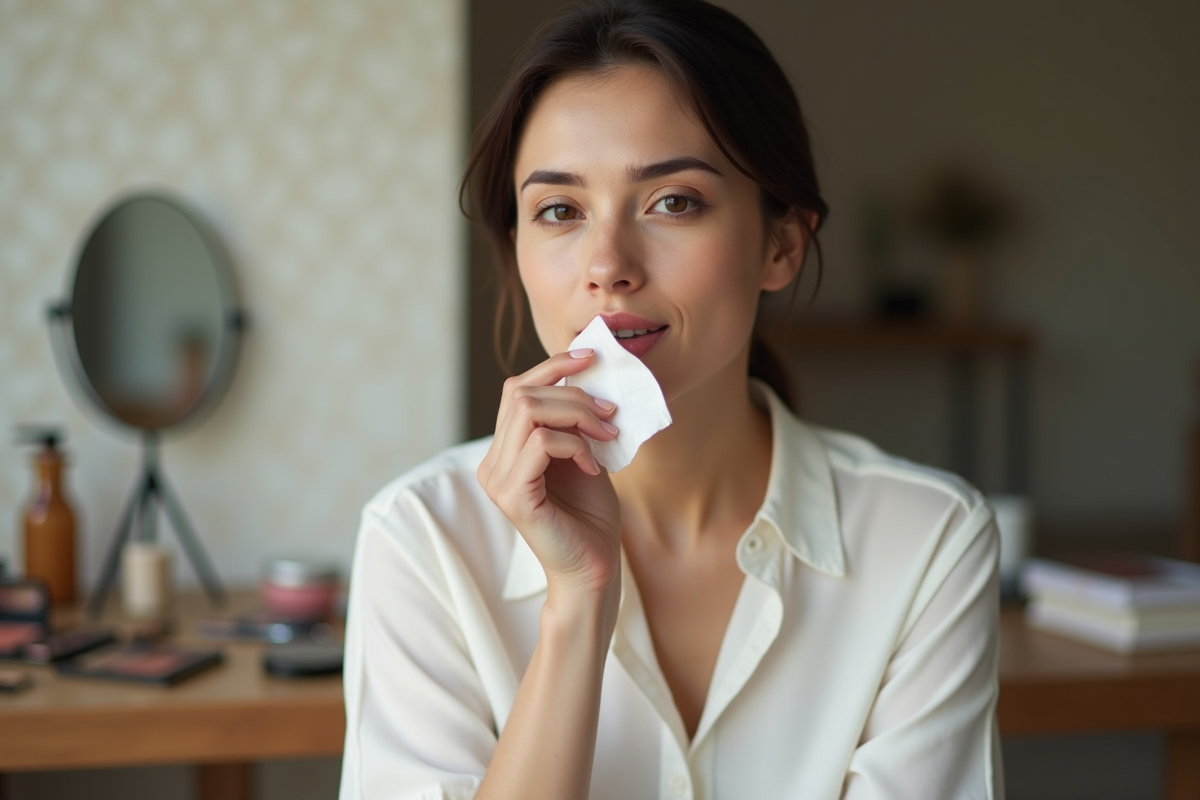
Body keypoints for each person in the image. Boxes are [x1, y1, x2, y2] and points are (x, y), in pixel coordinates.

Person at [339, 1, 1003, 798]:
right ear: (516, 250)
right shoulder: (423, 541)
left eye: (672, 202)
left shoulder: (929, 545)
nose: (607, 264)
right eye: (559, 210)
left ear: (781, 244)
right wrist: (576, 609)